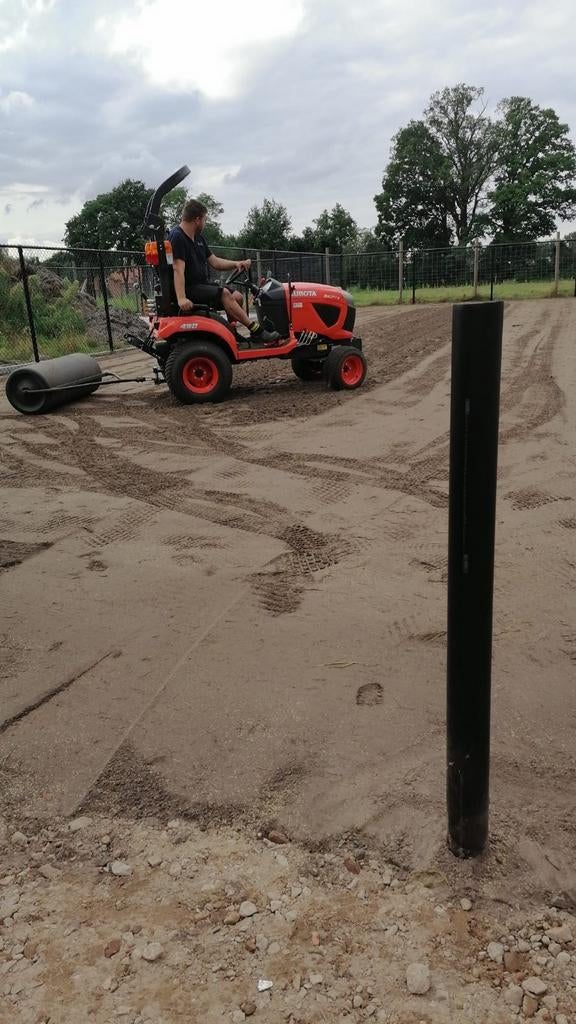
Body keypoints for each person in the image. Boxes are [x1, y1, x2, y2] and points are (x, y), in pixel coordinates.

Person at [168, 198, 281, 344]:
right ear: (197, 219)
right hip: (189, 289)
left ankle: (232, 333)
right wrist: (182, 298)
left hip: (202, 285)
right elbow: (177, 268)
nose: (205, 223)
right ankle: (257, 331)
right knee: (225, 294)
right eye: (205, 219)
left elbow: (214, 261)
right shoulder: (177, 237)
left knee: (238, 296)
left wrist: (237, 264)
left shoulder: (198, 238)